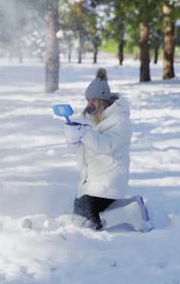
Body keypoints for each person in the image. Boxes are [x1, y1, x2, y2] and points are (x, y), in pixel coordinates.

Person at [63, 68, 153, 232]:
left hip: (107, 182)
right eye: (88, 99)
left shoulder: (120, 120)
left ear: (103, 100)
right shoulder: (96, 118)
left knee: (85, 223)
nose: (89, 103)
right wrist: (73, 139)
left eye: (93, 100)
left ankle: (130, 213)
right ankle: (131, 205)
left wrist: (84, 133)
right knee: (78, 214)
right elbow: (85, 147)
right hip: (93, 182)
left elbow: (105, 145)